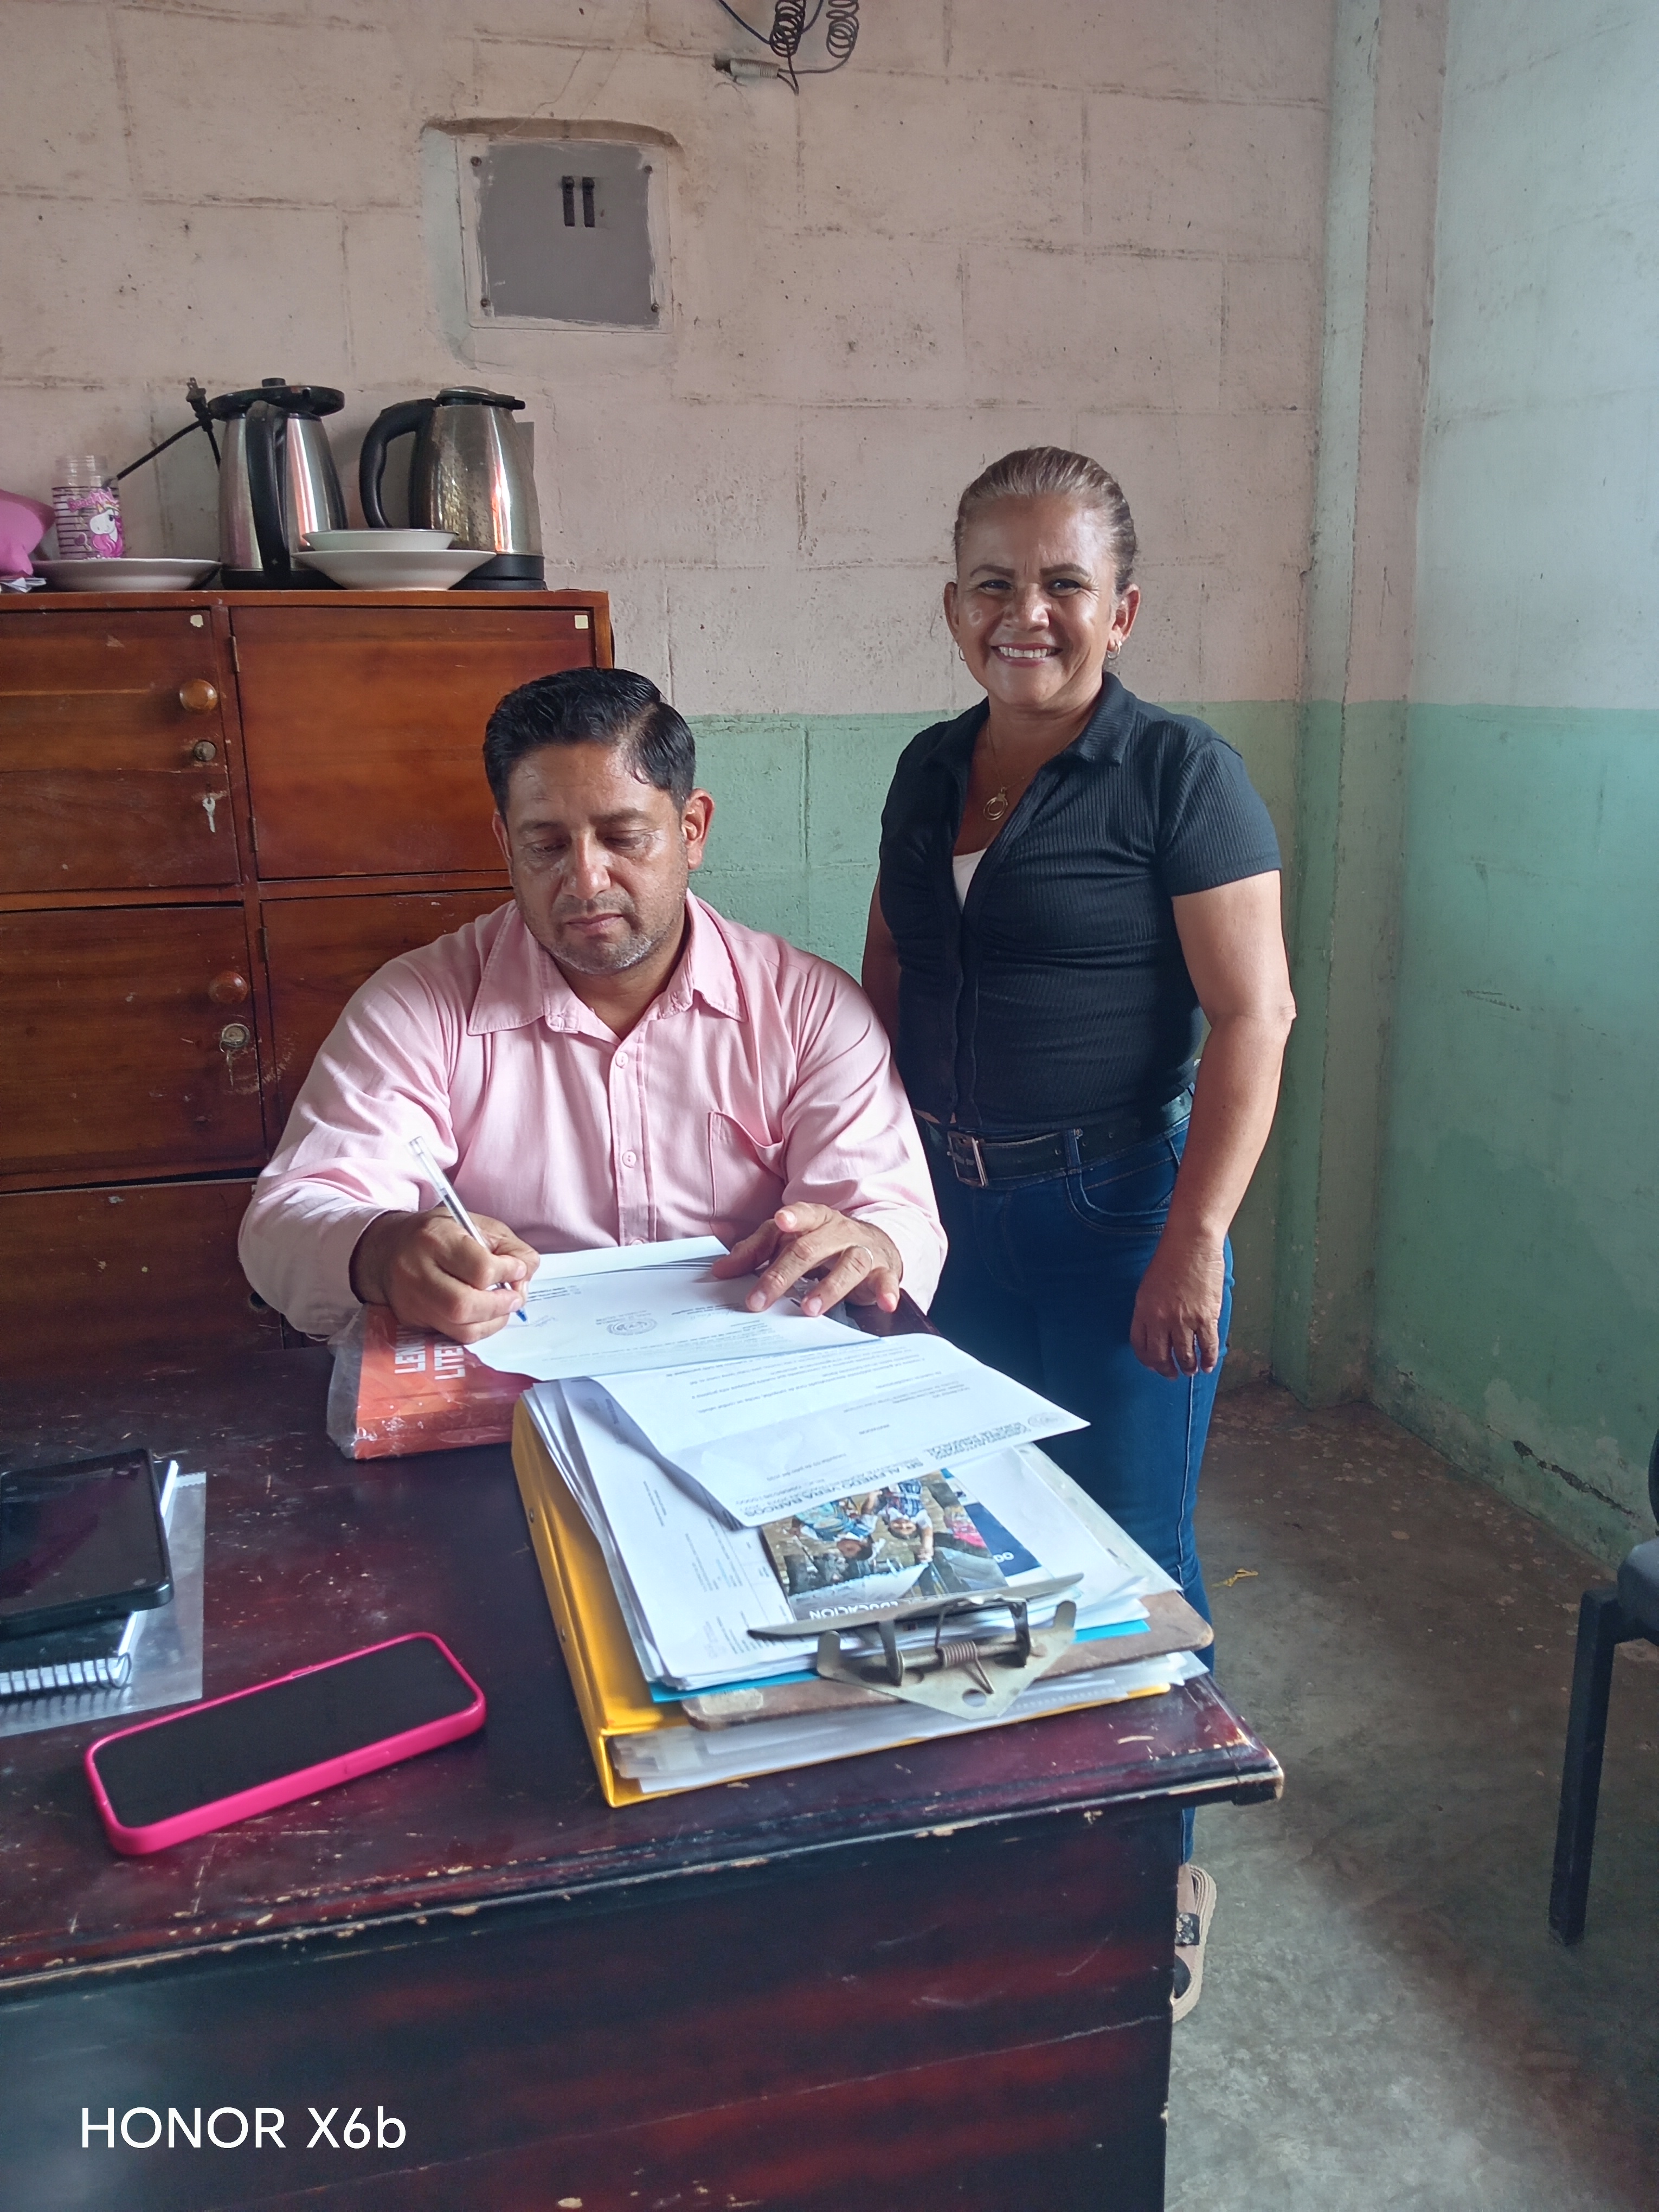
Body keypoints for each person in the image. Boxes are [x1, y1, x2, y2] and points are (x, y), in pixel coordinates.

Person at [861, 448, 1295, 2019]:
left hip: (1117, 1217)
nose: (1025, 614)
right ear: (951, 606)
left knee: (1132, 1556)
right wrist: (865, 1189)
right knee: (969, 1537)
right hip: (946, 1216)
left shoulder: (1181, 775)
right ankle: (1013, 1835)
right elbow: (888, 978)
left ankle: (1151, 1876)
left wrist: (1195, 1238)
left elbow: (1255, 1017)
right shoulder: (928, 768)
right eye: (994, 582)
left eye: (1061, 584)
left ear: (1122, 609)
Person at [241, 667, 944, 1343]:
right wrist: (382, 1250)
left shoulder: (808, 1010)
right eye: (546, 844)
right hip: (510, 1382)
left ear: (692, 829)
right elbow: (284, 1222)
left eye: (623, 838)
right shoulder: (419, 1008)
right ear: (506, 844)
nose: (585, 880)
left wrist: (873, 1241)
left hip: (745, 1383)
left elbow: (892, 1214)